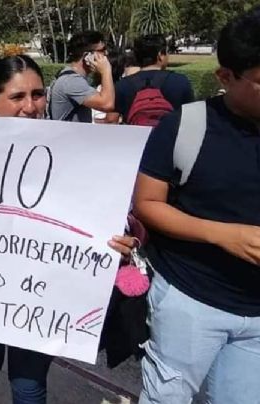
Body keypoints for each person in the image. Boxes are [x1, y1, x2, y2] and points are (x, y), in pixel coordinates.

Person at [0, 55, 137, 404]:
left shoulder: (74, 149)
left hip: (42, 297)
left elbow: (109, 211)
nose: (30, 107)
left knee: (29, 383)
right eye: (17, 97)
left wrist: (122, 235)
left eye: (37, 94)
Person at [133, 8, 260, 403]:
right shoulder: (186, 125)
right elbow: (147, 204)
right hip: (189, 301)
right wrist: (222, 234)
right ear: (226, 77)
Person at [113, 35, 194, 124]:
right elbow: (190, 118)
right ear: (160, 55)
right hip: (169, 136)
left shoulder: (122, 86)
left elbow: (113, 119)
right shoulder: (180, 82)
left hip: (135, 136)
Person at [48, 31, 115, 123]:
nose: (106, 53)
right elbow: (107, 104)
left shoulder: (71, 77)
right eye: (102, 50)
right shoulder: (72, 81)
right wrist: (106, 70)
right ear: (86, 56)